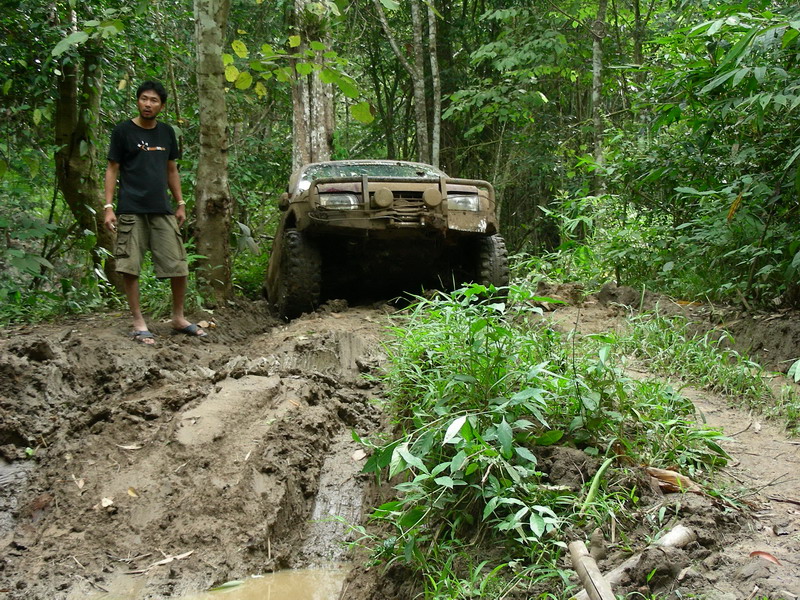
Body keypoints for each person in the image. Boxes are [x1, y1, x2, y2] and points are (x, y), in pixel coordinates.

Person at [103, 80, 207, 345]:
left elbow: (171, 169)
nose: (148, 104)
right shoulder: (123, 131)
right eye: (144, 99)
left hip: (162, 209)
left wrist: (180, 202)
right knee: (130, 267)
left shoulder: (166, 133)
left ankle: (178, 318)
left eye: (154, 100)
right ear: (138, 101)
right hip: (131, 209)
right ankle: (139, 322)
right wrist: (108, 207)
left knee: (178, 265)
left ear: (161, 105)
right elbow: (112, 169)